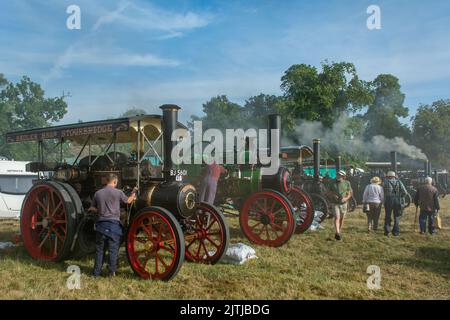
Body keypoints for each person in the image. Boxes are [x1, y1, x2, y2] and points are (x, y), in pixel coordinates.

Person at [89, 173, 137, 277]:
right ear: (115, 182)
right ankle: (111, 273)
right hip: (114, 225)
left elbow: (92, 208)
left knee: (100, 250)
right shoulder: (118, 192)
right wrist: (133, 193)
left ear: (106, 181)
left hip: (101, 225)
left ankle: (96, 273)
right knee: (113, 250)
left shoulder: (98, 193)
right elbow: (128, 201)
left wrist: (100, 210)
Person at [325, 170, 353, 241]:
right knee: (337, 217)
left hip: (344, 203)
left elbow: (350, 193)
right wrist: (333, 195)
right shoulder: (332, 182)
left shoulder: (347, 183)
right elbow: (327, 192)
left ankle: (338, 232)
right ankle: (337, 232)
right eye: (337, 175)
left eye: (340, 175)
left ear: (343, 176)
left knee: (342, 218)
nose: (338, 176)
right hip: (335, 203)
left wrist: (346, 198)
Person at [383, 171, 408, 237]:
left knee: (388, 216)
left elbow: (382, 192)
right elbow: (405, 192)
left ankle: (387, 231)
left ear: (388, 176)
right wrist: (400, 197)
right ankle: (396, 232)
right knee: (396, 216)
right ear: (394, 176)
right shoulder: (399, 182)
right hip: (397, 200)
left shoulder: (385, 182)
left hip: (388, 200)